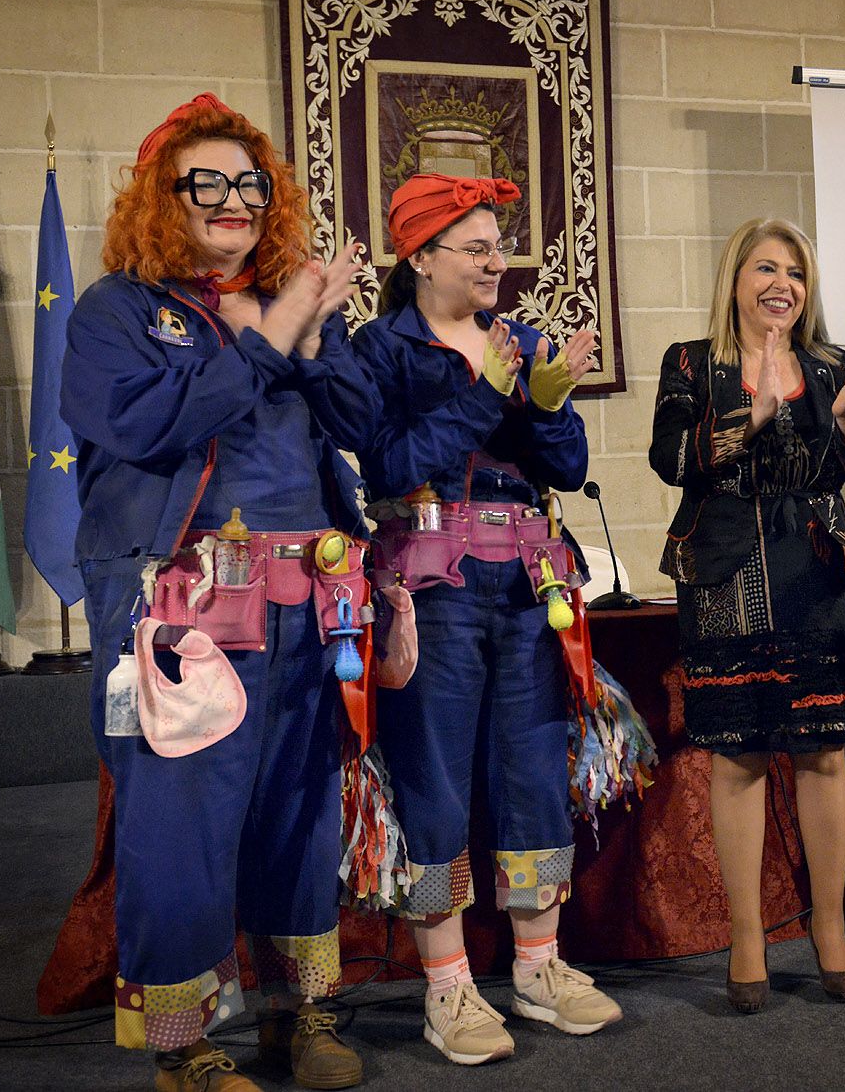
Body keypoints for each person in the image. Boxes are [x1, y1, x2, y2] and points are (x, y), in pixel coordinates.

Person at [63, 94, 372, 1092]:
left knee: (299, 811)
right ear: (163, 197)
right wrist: (269, 333)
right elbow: (149, 424)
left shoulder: (293, 300)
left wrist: (313, 339)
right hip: (186, 610)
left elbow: (366, 423)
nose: (235, 198)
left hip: (307, 601)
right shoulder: (116, 309)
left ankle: (300, 1015)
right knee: (181, 823)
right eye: (209, 181)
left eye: (251, 182)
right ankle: (181, 1046)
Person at [351, 174, 614, 1061]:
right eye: (475, 246)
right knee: (436, 779)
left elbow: (569, 463)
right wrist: (487, 390)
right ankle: (449, 986)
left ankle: (539, 966)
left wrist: (539, 399)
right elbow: (387, 465)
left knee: (535, 766)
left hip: (527, 581)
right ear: (421, 258)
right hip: (435, 585)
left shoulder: (521, 337)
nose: (496, 259)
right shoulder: (383, 347)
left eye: (499, 244)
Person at [649, 217, 845, 1013]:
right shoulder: (691, 362)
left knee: (824, 748)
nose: (780, 282)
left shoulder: (830, 364)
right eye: (764, 267)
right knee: (740, 754)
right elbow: (674, 460)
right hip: (723, 572)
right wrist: (753, 413)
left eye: (794, 270)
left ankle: (828, 925)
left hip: (813, 567)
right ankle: (749, 934)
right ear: (736, 279)